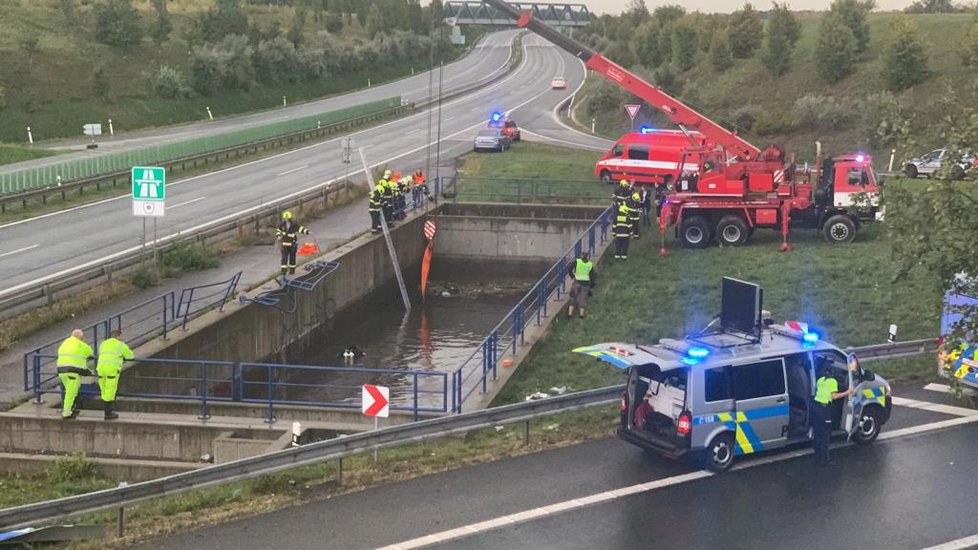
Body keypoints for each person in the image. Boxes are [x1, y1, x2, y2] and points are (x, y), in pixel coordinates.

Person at [812, 362, 853, 466]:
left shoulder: (820, 380)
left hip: (816, 408)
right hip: (825, 409)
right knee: (825, 435)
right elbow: (834, 396)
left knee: (818, 433)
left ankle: (817, 457)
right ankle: (824, 460)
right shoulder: (833, 381)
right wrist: (848, 392)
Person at [56, 329, 95, 420]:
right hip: (72, 372)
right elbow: (90, 352)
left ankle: (72, 409)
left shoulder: (65, 343)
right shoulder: (81, 344)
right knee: (71, 392)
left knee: (69, 391)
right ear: (81, 337)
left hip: (61, 370)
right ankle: (67, 413)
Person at [96, 329, 134, 421]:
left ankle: (108, 411)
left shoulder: (103, 344)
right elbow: (130, 356)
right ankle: (108, 413)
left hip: (100, 369)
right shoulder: (120, 345)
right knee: (110, 390)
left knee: (104, 390)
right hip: (111, 370)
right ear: (118, 336)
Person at [276, 211, 311, 276]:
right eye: (285, 218)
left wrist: (307, 232)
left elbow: (300, 229)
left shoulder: (294, 225)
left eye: (286, 218)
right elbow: (278, 231)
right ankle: (283, 272)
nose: (285, 219)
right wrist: (278, 236)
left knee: (292, 258)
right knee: (284, 259)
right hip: (285, 245)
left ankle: (292, 270)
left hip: (292, 245)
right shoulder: (282, 225)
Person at [566, 251, 596, 319]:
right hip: (585, 284)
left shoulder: (577, 261)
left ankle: (569, 314)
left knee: (573, 297)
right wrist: (592, 285)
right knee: (582, 299)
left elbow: (569, 268)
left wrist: (572, 275)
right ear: (587, 256)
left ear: (581, 255)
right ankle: (581, 316)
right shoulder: (590, 264)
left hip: (577, 282)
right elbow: (592, 276)